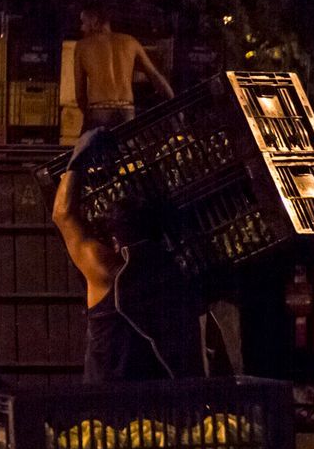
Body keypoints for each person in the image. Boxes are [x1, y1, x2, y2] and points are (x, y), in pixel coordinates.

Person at [51, 130, 207, 381]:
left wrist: (77, 159)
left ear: (114, 240)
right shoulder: (175, 272)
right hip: (161, 402)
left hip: (107, 398)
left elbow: (62, 214)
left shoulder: (106, 270)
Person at [74, 5, 174, 130]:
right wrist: (174, 105)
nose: (81, 28)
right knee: (126, 147)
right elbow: (155, 77)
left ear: (94, 20)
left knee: (87, 148)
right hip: (126, 110)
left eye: (83, 22)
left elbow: (80, 93)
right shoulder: (130, 42)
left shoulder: (82, 46)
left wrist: (89, 116)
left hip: (98, 110)